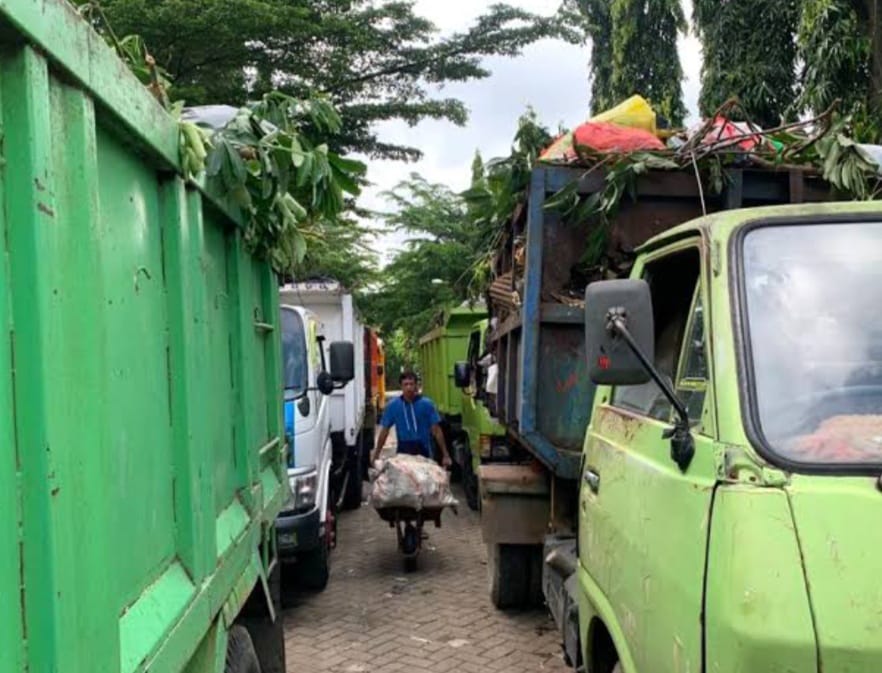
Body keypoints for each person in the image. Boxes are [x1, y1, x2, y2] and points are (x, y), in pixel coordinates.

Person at [371, 371, 452, 468]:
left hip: (423, 451)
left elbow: (437, 431)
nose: (409, 387)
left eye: (411, 384)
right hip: (403, 453)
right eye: (405, 384)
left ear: (416, 386)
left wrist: (445, 454)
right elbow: (384, 431)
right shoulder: (393, 406)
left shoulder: (427, 404)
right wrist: (376, 455)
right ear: (401, 386)